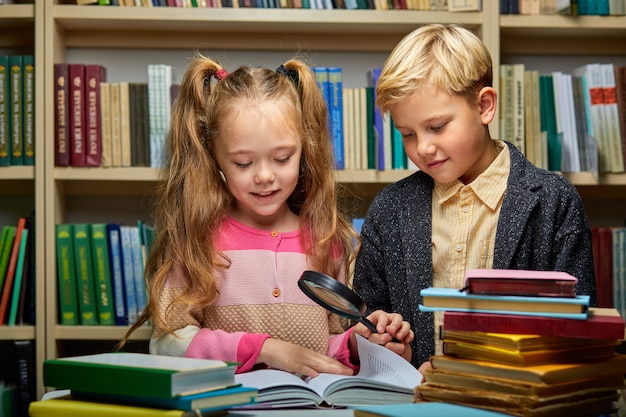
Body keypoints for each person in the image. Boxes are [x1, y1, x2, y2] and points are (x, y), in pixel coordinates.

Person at [118, 53, 414, 378]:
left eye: (282, 158)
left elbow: (321, 350)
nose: (264, 176)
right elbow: (167, 345)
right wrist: (266, 350)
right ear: (213, 156)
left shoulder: (327, 242)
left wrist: (358, 345)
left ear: (304, 150)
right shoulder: (196, 242)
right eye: (243, 163)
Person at [352, 23, 596, 371]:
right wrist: (383, 343)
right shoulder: (390, 209)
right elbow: (365, 320)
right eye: (407, 134)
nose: (423, 147)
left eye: (437, 127)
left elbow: (577, 337)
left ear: (484, 106)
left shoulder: (554, 204)